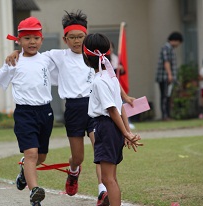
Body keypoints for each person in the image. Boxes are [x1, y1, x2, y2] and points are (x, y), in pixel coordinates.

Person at [5, 11, 135, 205]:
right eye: (72, 37)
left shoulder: (94, 58)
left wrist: (125, 97)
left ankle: (102, 192)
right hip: (73, 109)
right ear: (65, 38)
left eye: (80, 37)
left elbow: (111, 80)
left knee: (98, 149)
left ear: (86, 36)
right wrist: (16, 53)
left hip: (94, 108)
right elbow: (31, 55)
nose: (76, 41)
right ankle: (73, 171)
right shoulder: (56, 56)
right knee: (78, 157)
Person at [0, 17, 57, 206]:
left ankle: (23, 174)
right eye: (27, 39)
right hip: (25, 114)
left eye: (36, 38)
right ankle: (34, 193)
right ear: (19, 40)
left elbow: (72, 56)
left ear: (42, 39)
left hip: (46, 113)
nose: (32, 42)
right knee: (32, 153)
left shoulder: (48, 59)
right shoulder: (13, 62)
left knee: (40, 157)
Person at [82, 33, 143, 206]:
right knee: (111, 177)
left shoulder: (99, 81)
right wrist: (126, 131)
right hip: (113, 128)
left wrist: (126, 132)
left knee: (108, 179)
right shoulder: (111, 77)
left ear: (86, 56)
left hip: (105, 127)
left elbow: (112, 109)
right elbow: (120, 106)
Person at [155, 32, 183, 121]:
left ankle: (168, 115)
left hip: (168, 77)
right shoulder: (166, 48)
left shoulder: (170, 49)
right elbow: (166, 62)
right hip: (164, 77)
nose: (178, 44)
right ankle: (165, 116)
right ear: (175, 40)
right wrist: (170, 75)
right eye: (179, 42)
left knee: (168, 96)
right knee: (164, 96)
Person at [110, 42, 135, 130]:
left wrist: (120, 69)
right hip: (109, 86)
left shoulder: (116, 58)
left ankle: (127, 122)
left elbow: (122, 71)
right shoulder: (103, 59)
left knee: (122, 103)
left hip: (117, 85)